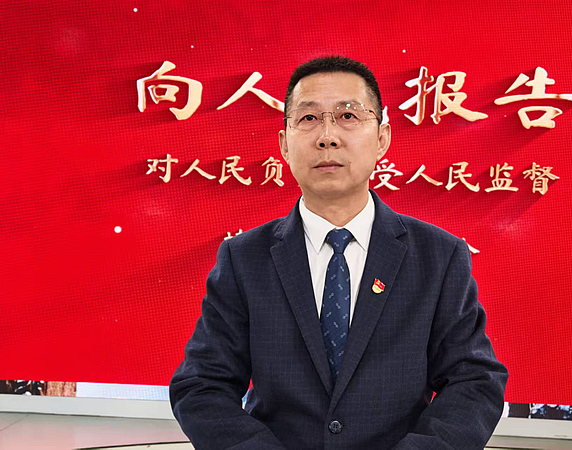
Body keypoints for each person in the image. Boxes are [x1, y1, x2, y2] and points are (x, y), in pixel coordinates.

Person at [170, 56, 508, 450]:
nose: (327, 136)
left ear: (382, 138)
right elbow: (201, 384)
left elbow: (474, 381)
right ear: (284, 144)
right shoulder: (244, 259)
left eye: (348, 116)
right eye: (308, 118)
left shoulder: (438, 256)